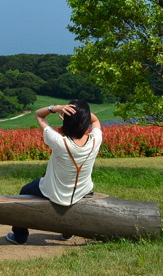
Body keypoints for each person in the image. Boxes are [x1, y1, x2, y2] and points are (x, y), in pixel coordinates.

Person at [6, 100, 102, 245]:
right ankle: (67, 232)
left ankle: (20, 236)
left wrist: (57, 108)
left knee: (25, 190)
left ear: (67, 120)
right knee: (73, 196)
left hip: (54, 192)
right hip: (83, 190)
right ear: (85, 121)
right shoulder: (96, 139)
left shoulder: (59, 141)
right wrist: (80, 114)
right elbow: (95, 120)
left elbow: (39, 115)